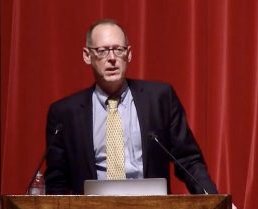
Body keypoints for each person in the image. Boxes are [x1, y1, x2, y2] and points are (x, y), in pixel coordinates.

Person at [44, 19, 218, 195]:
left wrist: (215, 201)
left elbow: (188, 160)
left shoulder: (160, 99)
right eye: (102, 51)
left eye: (118, 50)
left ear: (129, 54)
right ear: (87, 55)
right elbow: (57, 181)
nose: (112, 58)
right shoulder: (64, 114)